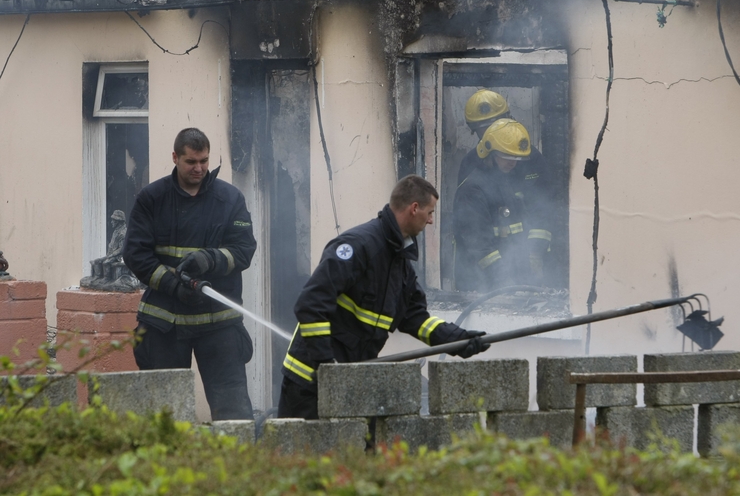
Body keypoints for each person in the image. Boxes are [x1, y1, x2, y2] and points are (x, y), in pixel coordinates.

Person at [278, 174, 489, 420]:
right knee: (304, 457)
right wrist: (326, 366)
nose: (431, 220)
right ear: (414, 208)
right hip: (309, 382)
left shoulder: (400, 263)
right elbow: (310, 305)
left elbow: (416, 319)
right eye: (430, 213)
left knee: (355, 456)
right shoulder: (358, 246)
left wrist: (459, 341)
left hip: (350, 382)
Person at [123, 127, 257, 420]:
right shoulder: (151, 198)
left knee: (233, 412)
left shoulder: (230, 199)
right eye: (191, 162)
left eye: (204, 161)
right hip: (164, 324)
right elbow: (136, 255)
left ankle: (237, 463)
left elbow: (244, 249)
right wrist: (173, 285)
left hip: (219, 322)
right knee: (164, 413)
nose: (199, 168)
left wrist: (209, 259)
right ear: (175, 157)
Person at [453, 119, 551, 292]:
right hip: (479, 285)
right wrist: (504, 280)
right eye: (506, 156)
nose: (513, 163)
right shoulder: (472, 191)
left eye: (516, 158)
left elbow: (519, 230)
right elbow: (479, 246)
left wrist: (530, 265)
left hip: (508, 281)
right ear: (489, 152)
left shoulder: (505, 181)